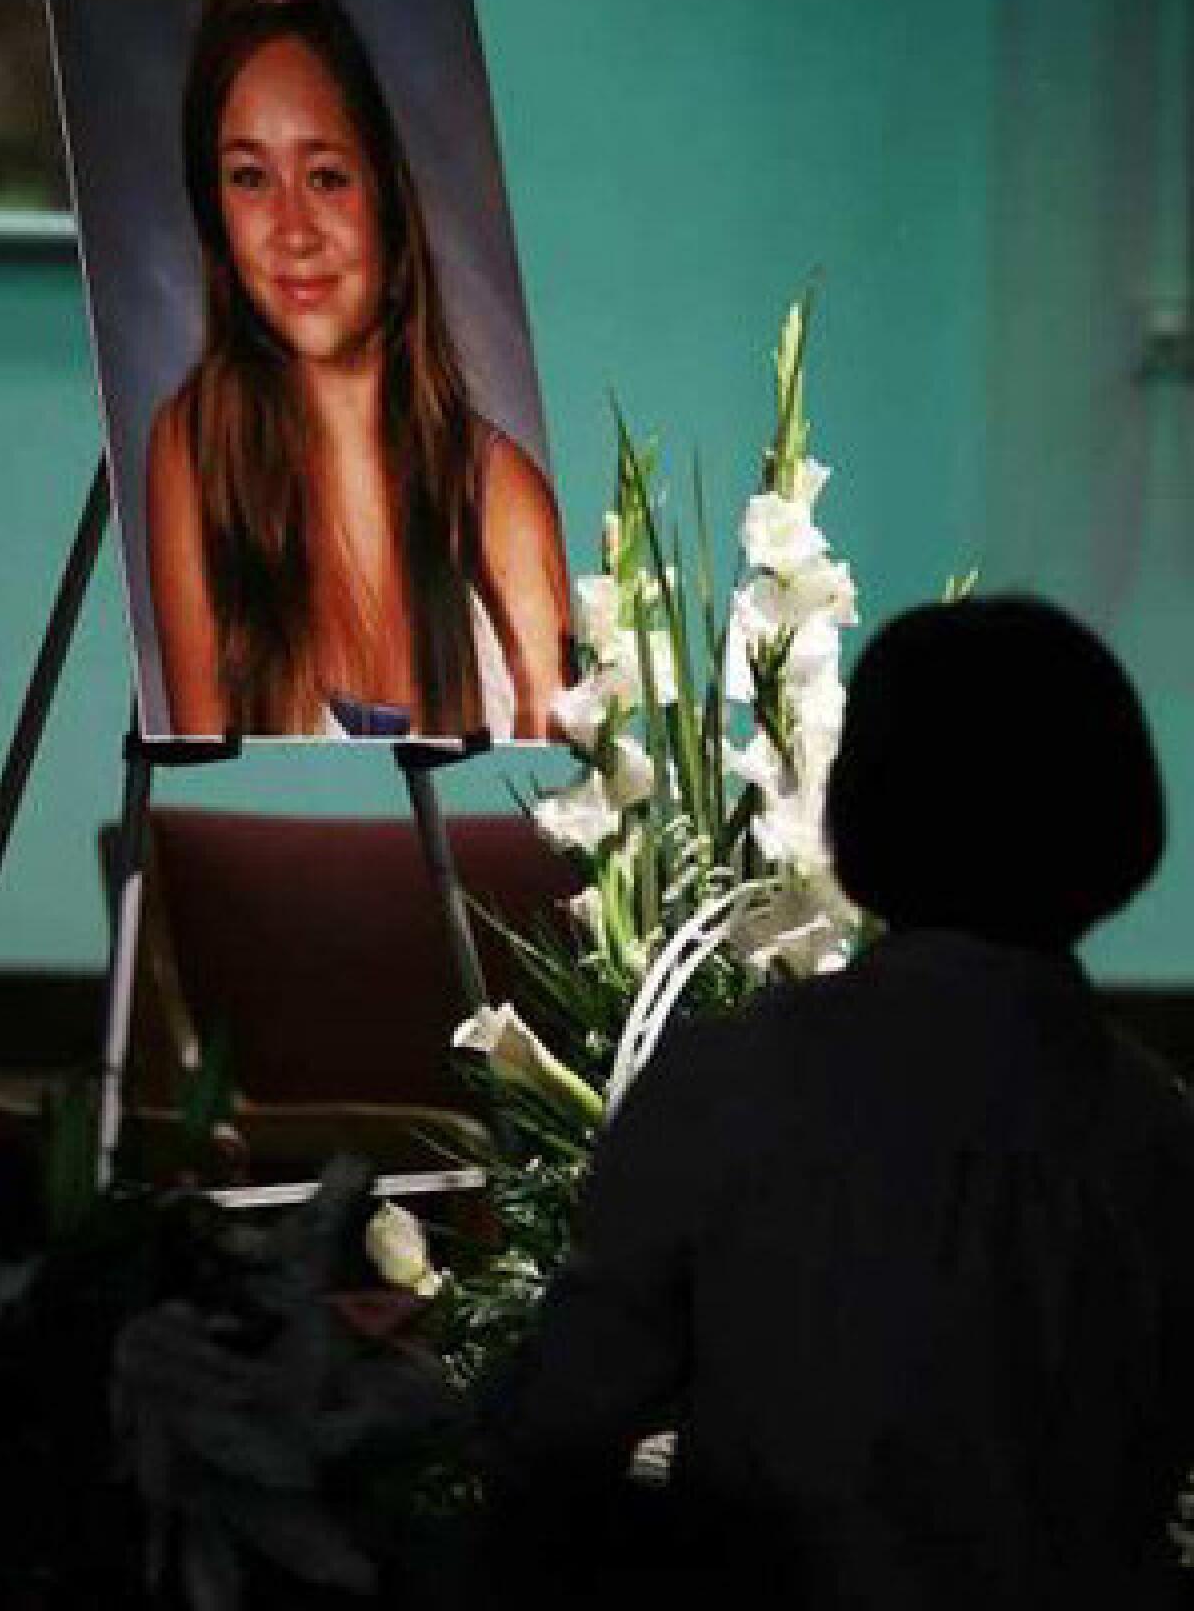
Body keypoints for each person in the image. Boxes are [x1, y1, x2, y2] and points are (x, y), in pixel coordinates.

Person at [484, 596, 1194, 1609]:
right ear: (1119, 823)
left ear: (861, 803)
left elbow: (561, 1428)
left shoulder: (722, 1085)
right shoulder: (1157, 1135)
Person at [148, 0, 570, 738]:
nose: (294, 229)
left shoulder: (502, 495)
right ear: (215, 214)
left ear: (386, 195)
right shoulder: (195, 450)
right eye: (249, 178)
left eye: (327, 177)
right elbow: (212, 801)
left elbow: (558, 824)